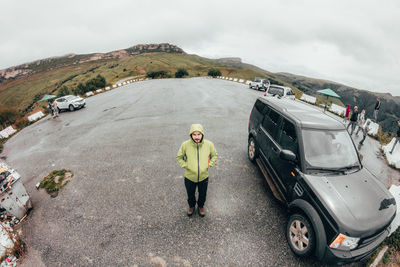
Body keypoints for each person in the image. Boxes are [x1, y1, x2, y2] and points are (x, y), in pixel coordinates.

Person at [176, 124, 217, 217]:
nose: (197, 137)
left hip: (203, 176)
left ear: (202, 134)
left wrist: (209, 164)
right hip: (189, 176)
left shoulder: (209, 144)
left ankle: (201, 206)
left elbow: (214, 155)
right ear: (191, 135)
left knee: (202, 193)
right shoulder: (185, 145)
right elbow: (179, 157)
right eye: (194, 134)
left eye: (199, 134)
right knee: (190, 193)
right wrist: (185, 165)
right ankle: (191, 206)